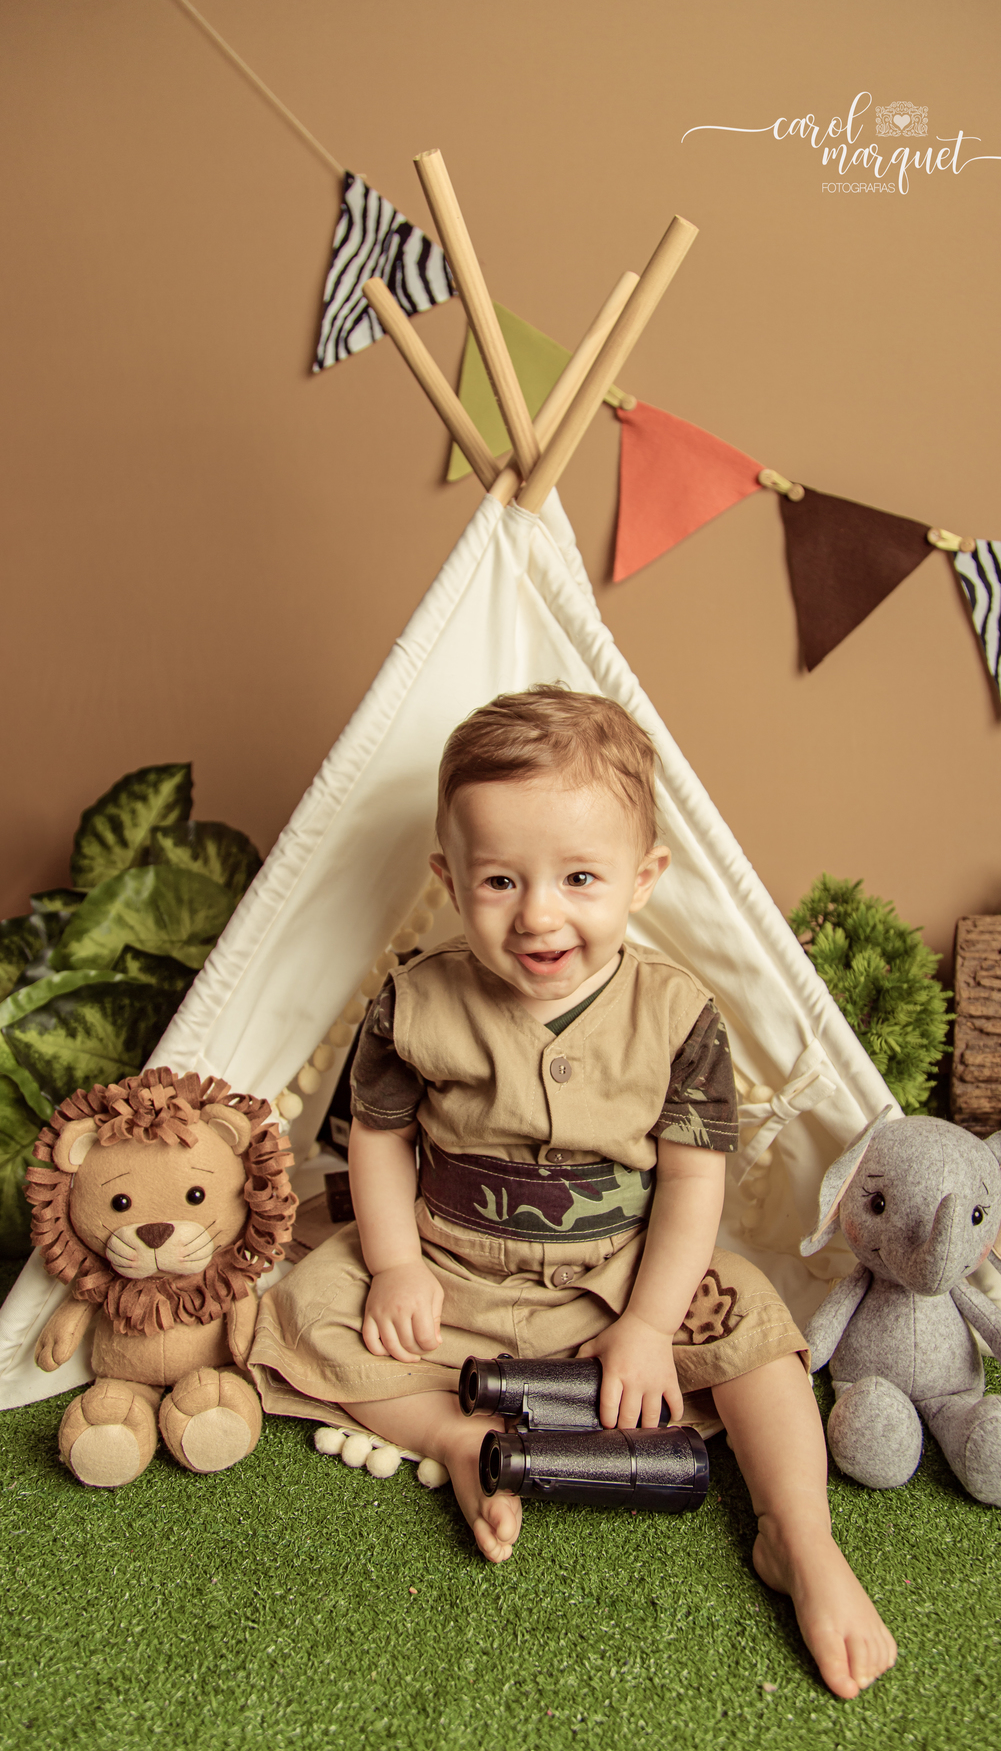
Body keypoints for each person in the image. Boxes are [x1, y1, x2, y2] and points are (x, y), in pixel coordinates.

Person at [250, 687, 896, 1699]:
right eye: (500, 880)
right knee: (306, 1307)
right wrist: (396, 1267)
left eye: (580, 878)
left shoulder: (678, 1014)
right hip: (453, 1272)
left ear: (645, 881)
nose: (540, 915)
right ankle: (456, 1437)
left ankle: (799, 1537)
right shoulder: (414, 1001)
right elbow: (375, 1142)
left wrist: (645, 1324)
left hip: (616, 1277)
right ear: (448, 879)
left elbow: (692, 1184)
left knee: (756, 1325)